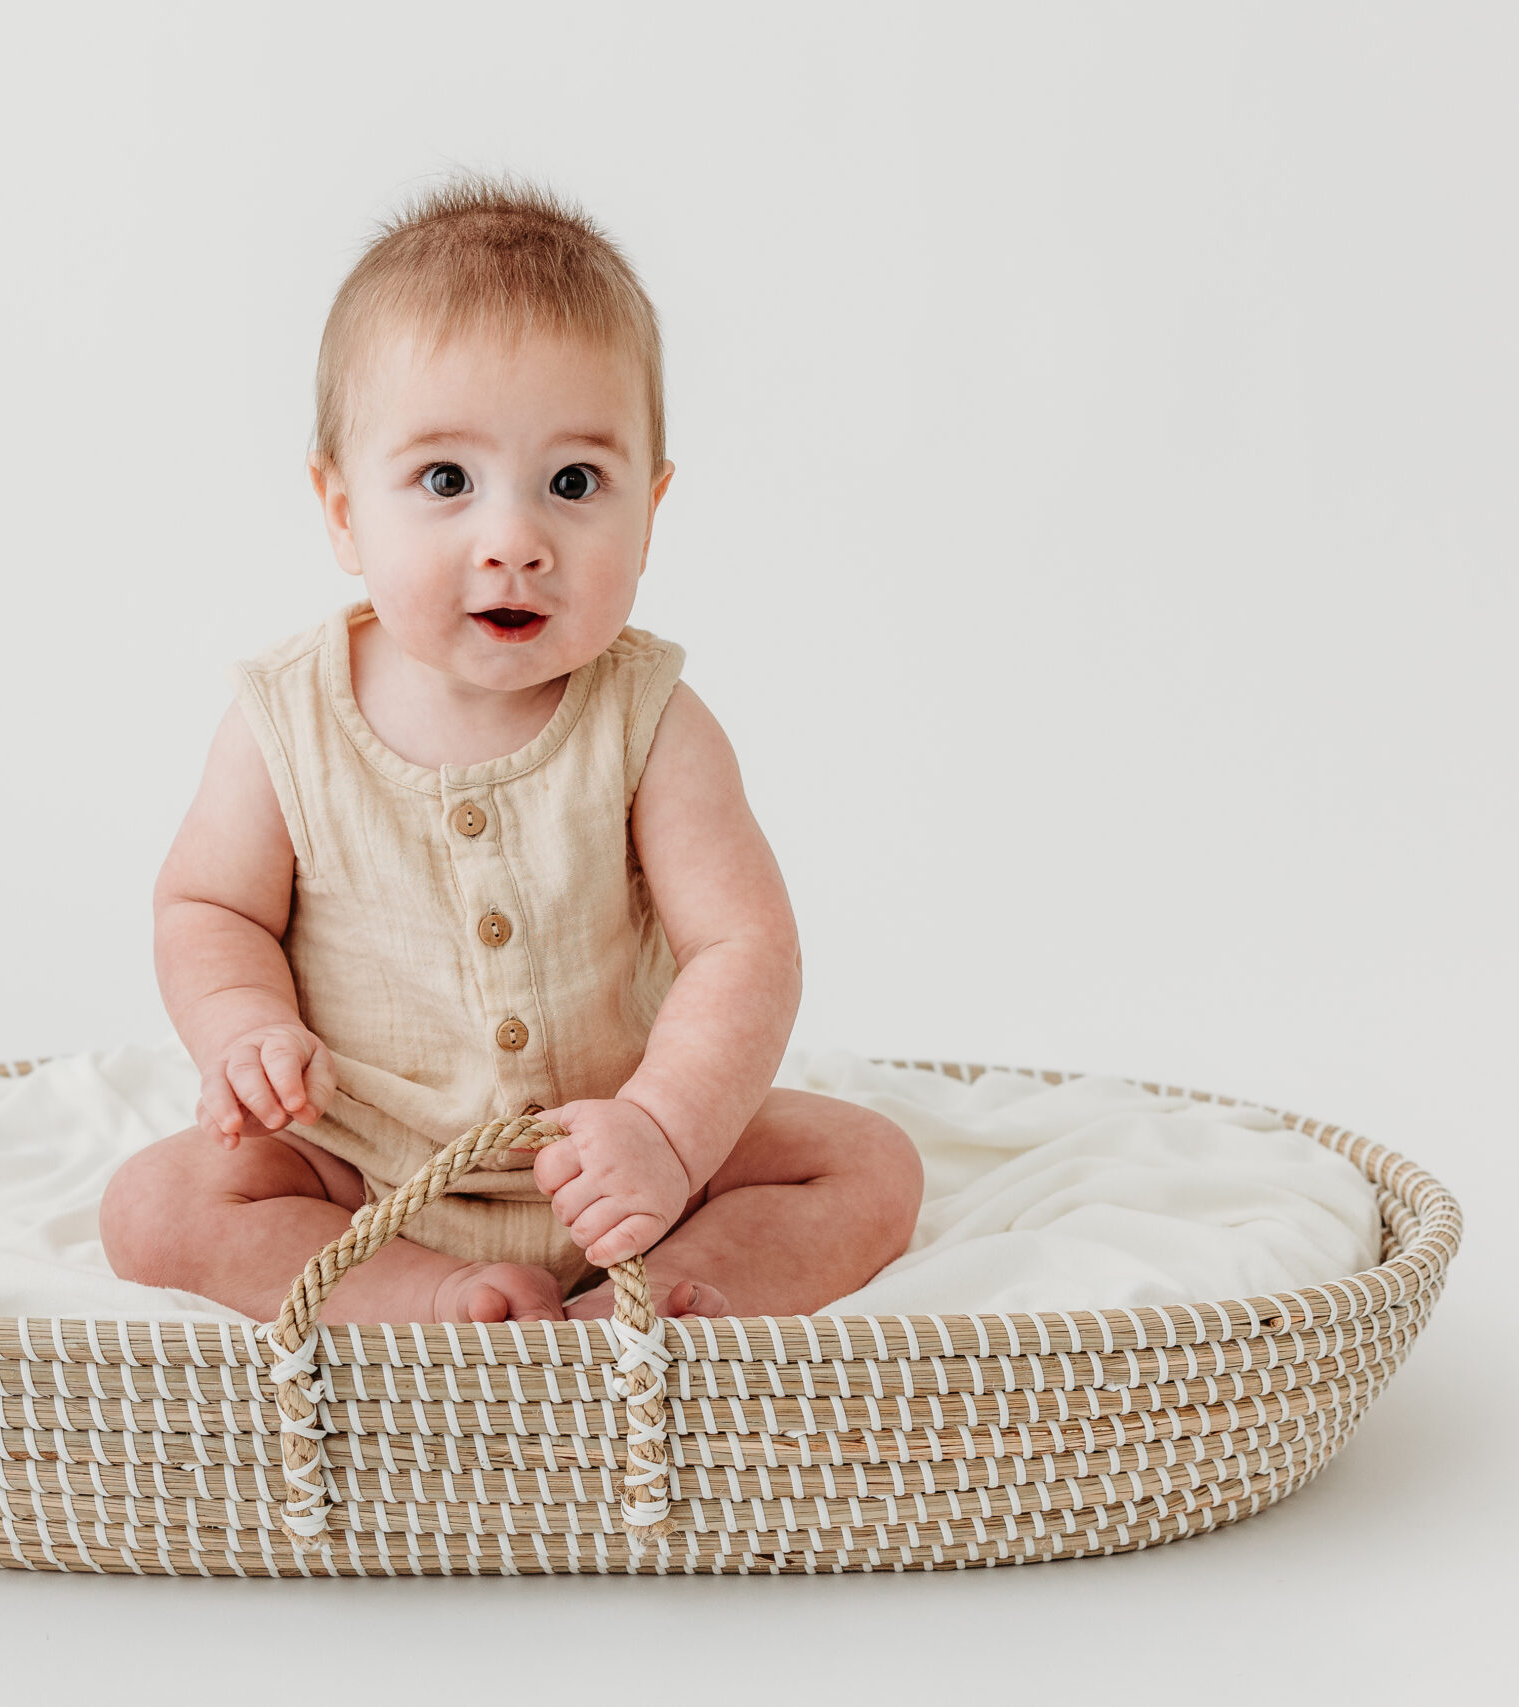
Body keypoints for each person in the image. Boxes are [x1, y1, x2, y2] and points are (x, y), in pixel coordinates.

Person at [100, 179, 920, 1325]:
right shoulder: (284, 719)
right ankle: (422, 1295)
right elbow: (207, 908)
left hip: (624, 1164)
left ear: (651, 507)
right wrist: (247, 1029)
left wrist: (666, 1132)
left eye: (574, 484)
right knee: (157, 1205)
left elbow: (745, 945)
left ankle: (675, 1298)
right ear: (341, 510)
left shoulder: (651, 721)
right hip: (363, 1169)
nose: (515, 542)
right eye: (446, 481)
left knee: (871, 1167)